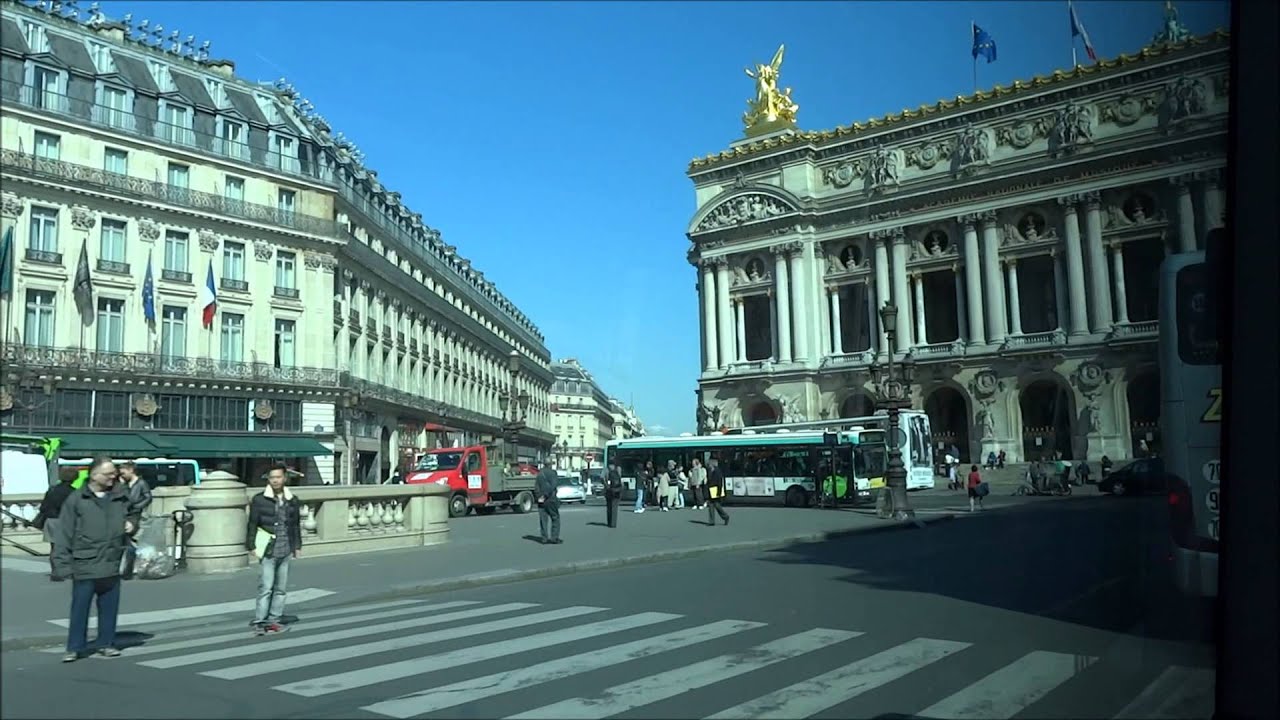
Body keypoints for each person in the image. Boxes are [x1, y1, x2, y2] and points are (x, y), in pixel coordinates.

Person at [52, 456, 138, 662]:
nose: (113, 477)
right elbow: (64, 533)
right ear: (93, 475)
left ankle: (106, 643)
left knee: (109, 608)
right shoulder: (76, 499)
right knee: (80, 609)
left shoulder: (120, 495)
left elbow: (135, 512)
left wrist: (132, 523)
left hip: (113, 560)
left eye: (114, 473)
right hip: (85, 561)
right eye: (108, 474)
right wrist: (61, 565)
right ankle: (74, 647)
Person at [245, 463, 303, 636]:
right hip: (268, 549)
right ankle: (260, 621)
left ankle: (274, 620)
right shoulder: (259, 499)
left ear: (284, 478)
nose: (275, 480)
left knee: (281, 589)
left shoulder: (292, 500)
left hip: (285, 548)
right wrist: (251, 545)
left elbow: (295, 525)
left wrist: (297, 546)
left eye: (278, 477)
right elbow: (252, 523)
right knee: (266, 587)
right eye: (272, 477)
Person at [534, 459, 561, 544]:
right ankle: (554, 538)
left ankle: (544, 538)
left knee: (543, 520)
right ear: (550, 464)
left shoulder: (539, 474)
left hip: (541, 500)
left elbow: (536, 487)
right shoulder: (553, 473)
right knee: (555, 518)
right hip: (550, 499)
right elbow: (553, 486)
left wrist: (539, 497)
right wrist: (546, 495)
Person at [705, 457, 730, 526]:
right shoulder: (710, 471)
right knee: (711, 505)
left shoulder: (718, 472)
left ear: (712, 464)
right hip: (711, 490)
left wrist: (719, 492)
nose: (708, 466)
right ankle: (712, 521)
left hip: (716, 490)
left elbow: (720, 483)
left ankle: (725, 516)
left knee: (716, 505)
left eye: (708, 464)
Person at [604, 462, 622, 528]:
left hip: (609, 491)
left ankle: (609, 522)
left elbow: (602, 478)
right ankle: (613, 523)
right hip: (617, 490)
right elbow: (620, 480)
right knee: (615, 507)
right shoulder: (618, 469)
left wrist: (606, 486)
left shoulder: (606, 469)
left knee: (609, 507)